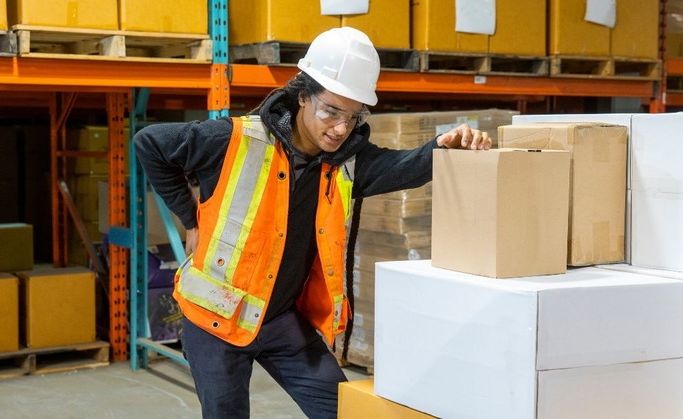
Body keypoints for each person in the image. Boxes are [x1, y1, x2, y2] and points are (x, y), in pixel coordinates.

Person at [134, 26, 491, 419]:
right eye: (331, 111)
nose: (341, 128)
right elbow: (150, 143)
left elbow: (403, 167)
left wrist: (443, 147)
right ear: (302, 96)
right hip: (214, 318)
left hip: (279, 318)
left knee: (345, 410)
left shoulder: (347, 161)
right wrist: (191, 221)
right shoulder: (232, 140)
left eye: (353, 117)